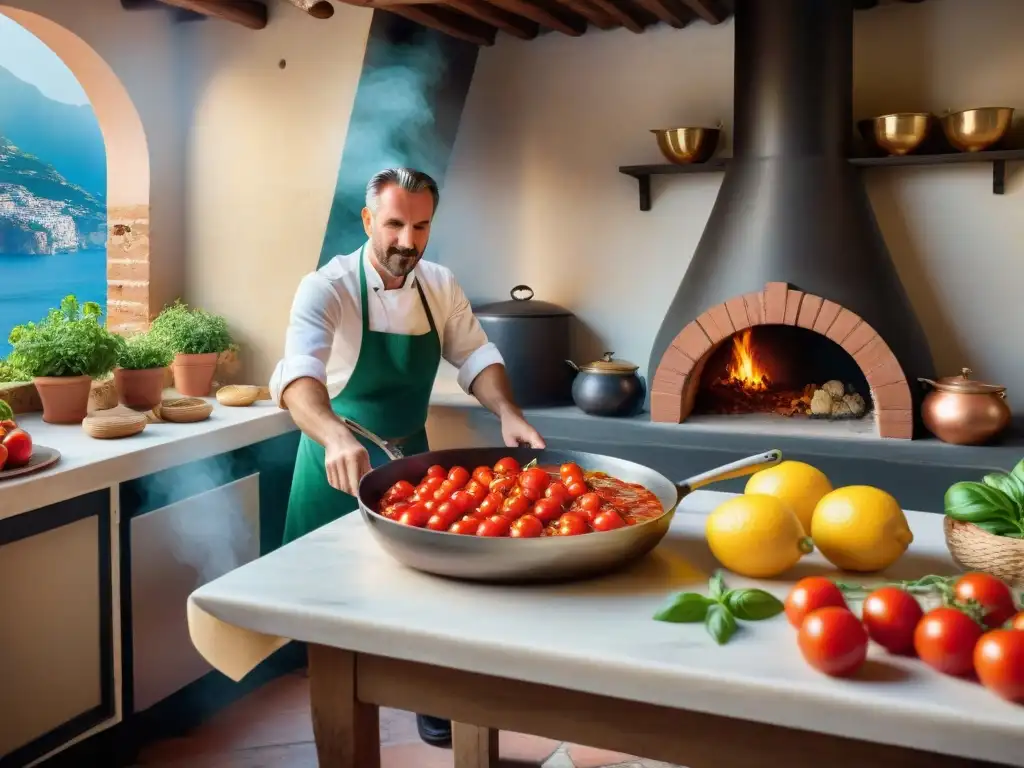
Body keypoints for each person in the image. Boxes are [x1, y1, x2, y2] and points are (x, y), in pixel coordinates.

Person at [269, 167, 545, 747]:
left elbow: (476, 356)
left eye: (420, 226)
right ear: (369, 220)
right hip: (334, 465)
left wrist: (508, 412)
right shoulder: (326, 287)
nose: (407, 241)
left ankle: (426, 696)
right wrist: (335, 436)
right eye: (394, 224)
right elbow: (298, 376)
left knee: (416, 589)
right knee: (335, 607)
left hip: (408, 462)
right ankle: (340, 725)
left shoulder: (439, 284)